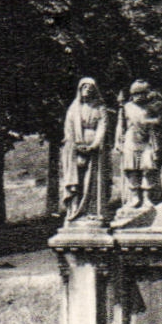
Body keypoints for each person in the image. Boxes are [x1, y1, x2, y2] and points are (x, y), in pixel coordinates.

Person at [61, 77, 108, 222]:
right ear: (80, 90)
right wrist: (76, 144)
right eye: (84, 87)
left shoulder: (100, 108)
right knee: (76, 180)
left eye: (90, 88)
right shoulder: (73, 108)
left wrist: (94, 144)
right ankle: (74, 210)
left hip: (94, 148)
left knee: (92, 180)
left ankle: (91, 211)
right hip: (75, 149)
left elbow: (103, 127)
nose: (87, 90)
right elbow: (68, 129)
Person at [117, 80, 162, 210]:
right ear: (132, 94)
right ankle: (135, 196)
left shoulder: (151, 107)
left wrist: (150, 121)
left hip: (147, 139)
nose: (140, 96)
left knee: (147, 168)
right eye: (137, 94)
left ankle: (147, 197)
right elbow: (121, 126)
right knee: (132, 169)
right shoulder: (126, 107)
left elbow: (159, 121)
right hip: (131, 139)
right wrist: (118, 141)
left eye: (143, 94)